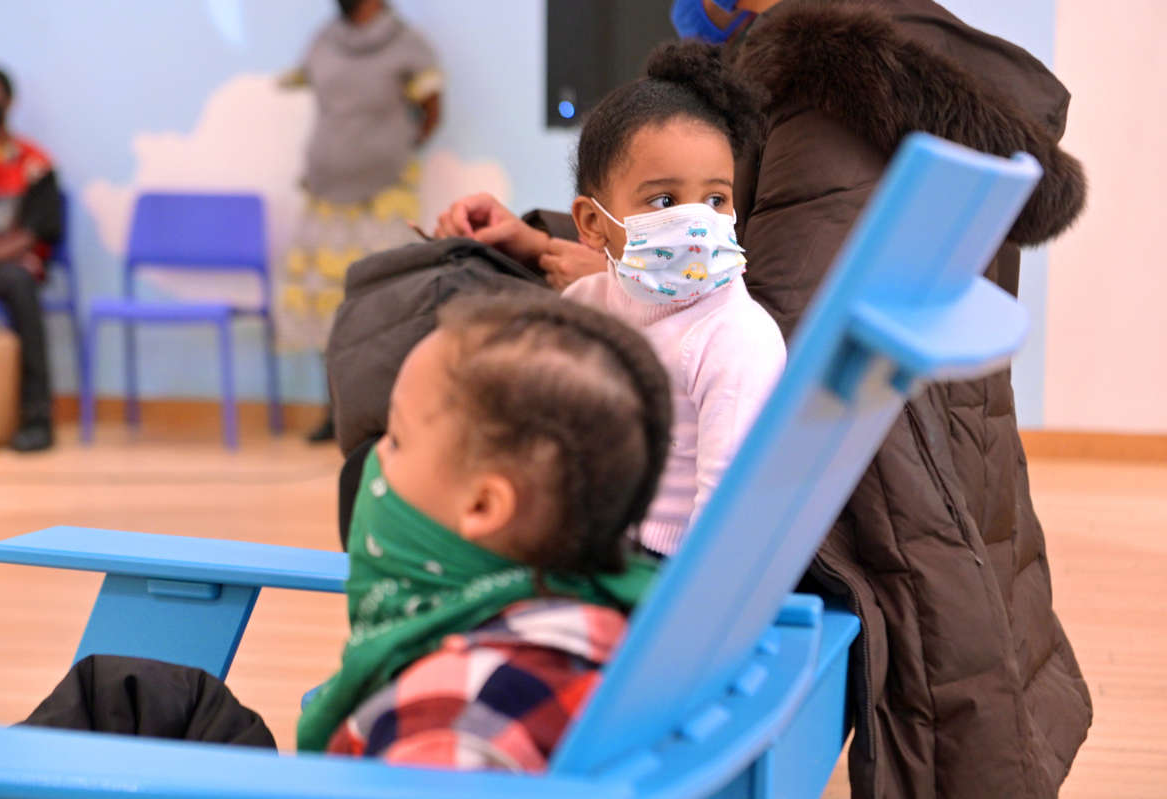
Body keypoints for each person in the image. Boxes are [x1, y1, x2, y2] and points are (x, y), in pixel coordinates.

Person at [433, 1, 1092, 795]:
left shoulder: (824, 92)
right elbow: (716, 243)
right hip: (939, 489)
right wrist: (555, 244)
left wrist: (591, 267)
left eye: (717, 198)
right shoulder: (902, 65)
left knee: (428, 324)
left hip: (853, 521)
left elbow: (754, 313)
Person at [296, 294, 672, 765]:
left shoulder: (446, 717)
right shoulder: (621, 614)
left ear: (481, 505)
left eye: (396, 438)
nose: (373, 459)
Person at [561, 43, 785, 557]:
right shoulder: (581, 309)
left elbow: (727, 524)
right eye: (663, 200)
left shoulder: (735, 337)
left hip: (670, 574)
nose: (698, 220)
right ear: (594, 224)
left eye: (716, 199)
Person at [279, 0, 442, 443]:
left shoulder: (409, 44)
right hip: (325, 195)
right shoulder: (323, 40)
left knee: (381, 305)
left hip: (382, 197)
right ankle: (335, 412)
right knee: (326, 306)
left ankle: (384, 416)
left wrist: (388, 149)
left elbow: (431, 110)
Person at [0, 64, 62, 452]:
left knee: (20, 286)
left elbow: (35, 232)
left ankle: (37, 418)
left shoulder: (33, 162)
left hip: (4, 265)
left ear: (8, 100)